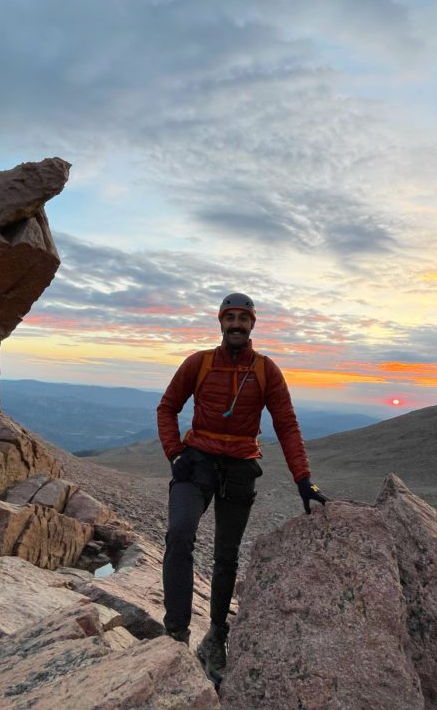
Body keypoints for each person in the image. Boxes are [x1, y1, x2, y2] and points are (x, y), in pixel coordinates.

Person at [156, 292, 329, 683]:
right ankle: (175, 637)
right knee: (179, 534)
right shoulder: (198, 363)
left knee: (226, 556)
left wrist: (303, 479)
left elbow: (286, 424)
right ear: (220, 322)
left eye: (243, 318)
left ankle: (216, 636)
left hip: (240, 467)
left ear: (253, 324)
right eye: (229, 317)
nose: (236, 324)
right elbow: (167, 407)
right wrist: (174, 454)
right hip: (196, 462)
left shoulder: (266, 370)